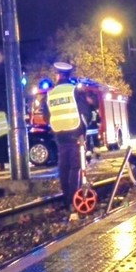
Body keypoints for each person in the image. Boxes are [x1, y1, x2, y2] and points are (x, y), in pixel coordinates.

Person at [44, 62, 90, 213]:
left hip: (59, 134)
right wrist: (84, 129)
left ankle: (66, 198)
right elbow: (85, 113)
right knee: (75, 167)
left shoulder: (50, 94)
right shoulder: (74, 90)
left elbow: (46, 116)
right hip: (75, 132)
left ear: (57, 75)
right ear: (68, 75)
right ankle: (74, 199)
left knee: (63, 167)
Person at [83, 93, 100, 159]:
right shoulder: (94, 108)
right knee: (95, 142)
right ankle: (97, 154)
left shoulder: (86, 108)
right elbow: (97, 117)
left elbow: (87, 118)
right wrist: (98, 123)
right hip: (94, 128)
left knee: (88, 143)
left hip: (88, 129)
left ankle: (88, 155)